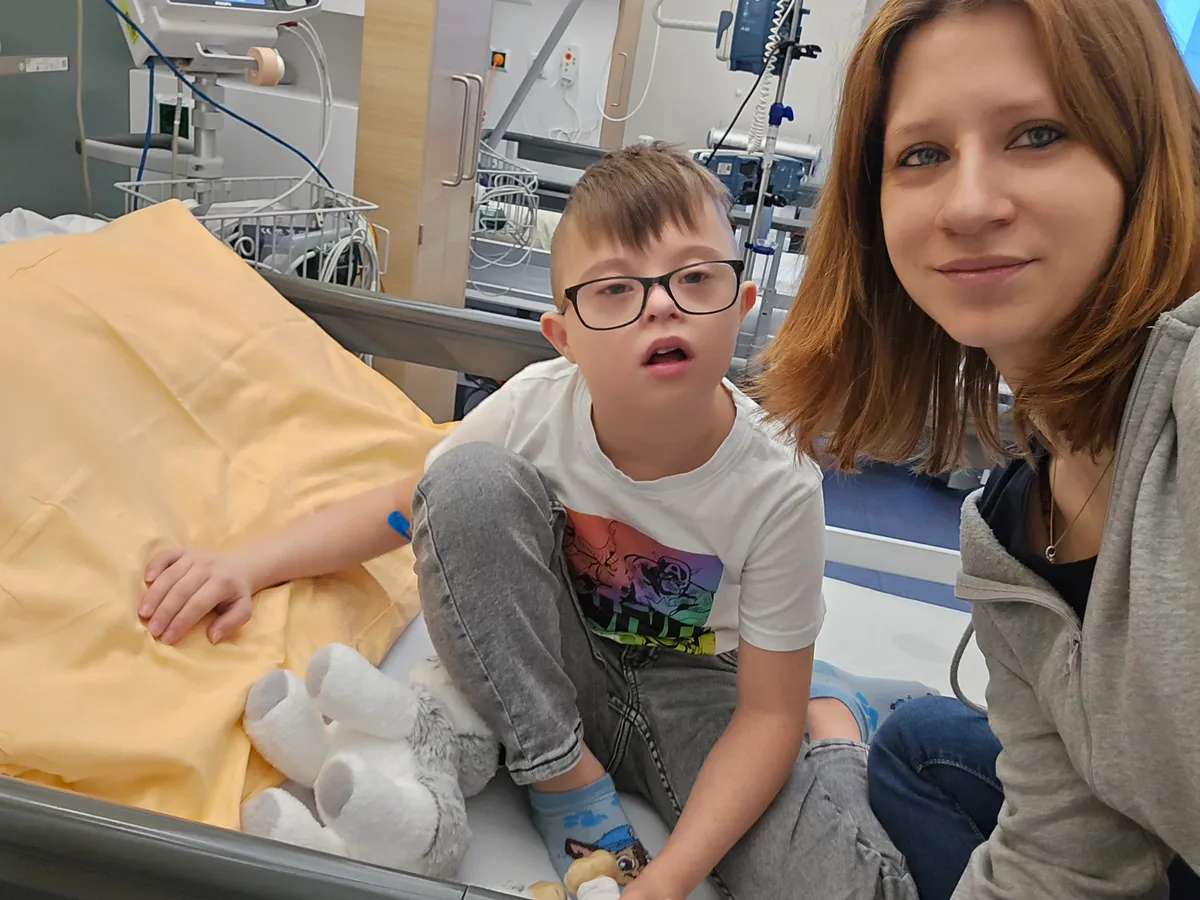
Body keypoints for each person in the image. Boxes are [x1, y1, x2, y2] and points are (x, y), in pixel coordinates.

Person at [137, 143, 931, 899]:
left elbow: (764, 716)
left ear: (743, 305)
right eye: (615, 290)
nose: (661, 306)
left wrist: (670, 875)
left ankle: (838, 717)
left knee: (850, 887)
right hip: (555, 661)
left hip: (703, 693)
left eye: (694, 278)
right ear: (563, 337)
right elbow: (409, 506)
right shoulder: (535, 409)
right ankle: (564, 780)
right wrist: (248, 564)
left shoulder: (779, 486)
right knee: (465, 479)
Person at [754, 0, 1200, 898]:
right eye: (921, 155)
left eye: (1038, 135)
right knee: (916, 745)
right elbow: (1062, 859)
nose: (968, 205)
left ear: (1147, 154)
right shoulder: (1012, 536)